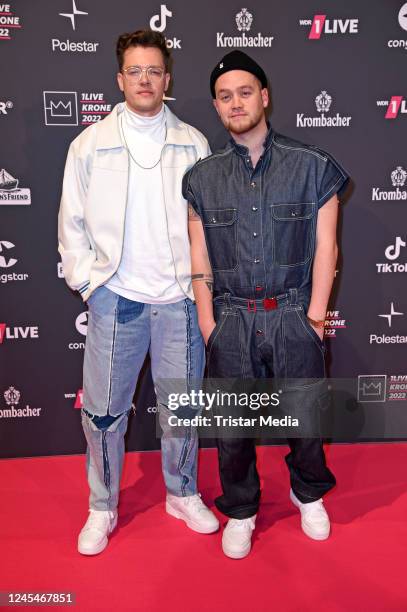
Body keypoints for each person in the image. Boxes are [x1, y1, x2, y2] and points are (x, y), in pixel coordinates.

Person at [58, 29, 219, 556]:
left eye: (154, 71)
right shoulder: (89, 144)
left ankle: (182, 492)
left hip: (177, 300)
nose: (144, 80)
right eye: (135, 71)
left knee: (183, 409)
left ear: (166, 79)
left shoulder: (193, 142)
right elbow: (71, 222)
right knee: (103, 412)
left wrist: (200, 288)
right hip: (115, 298)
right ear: (119, 78)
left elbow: (208, 225)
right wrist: (89, 284)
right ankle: (101, 507)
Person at [184, 50, 349, 559]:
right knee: (232, 429)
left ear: (265, 96)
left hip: (294, 312)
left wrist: (315, 318)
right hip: (231, 317)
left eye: (245, 92)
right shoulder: (200, 178)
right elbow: (199, 254)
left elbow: (328, 246)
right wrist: (208, 322)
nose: (237, 103)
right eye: (226, 96)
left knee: (304, 417)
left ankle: (308, 494)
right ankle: (241, 509)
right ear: (216, 106)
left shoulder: (313, 166)